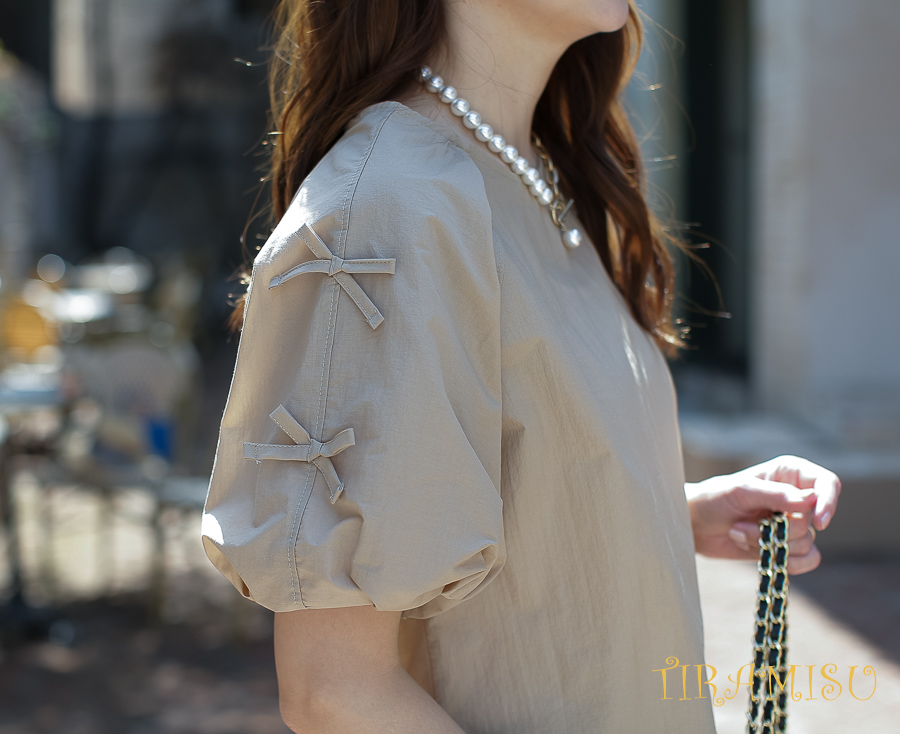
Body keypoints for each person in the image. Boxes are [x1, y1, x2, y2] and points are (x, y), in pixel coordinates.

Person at [201, 0, 841, 732]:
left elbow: (480, 470)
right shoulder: (389, 207)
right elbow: (335, 691)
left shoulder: (537, 171)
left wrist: (677, 510)